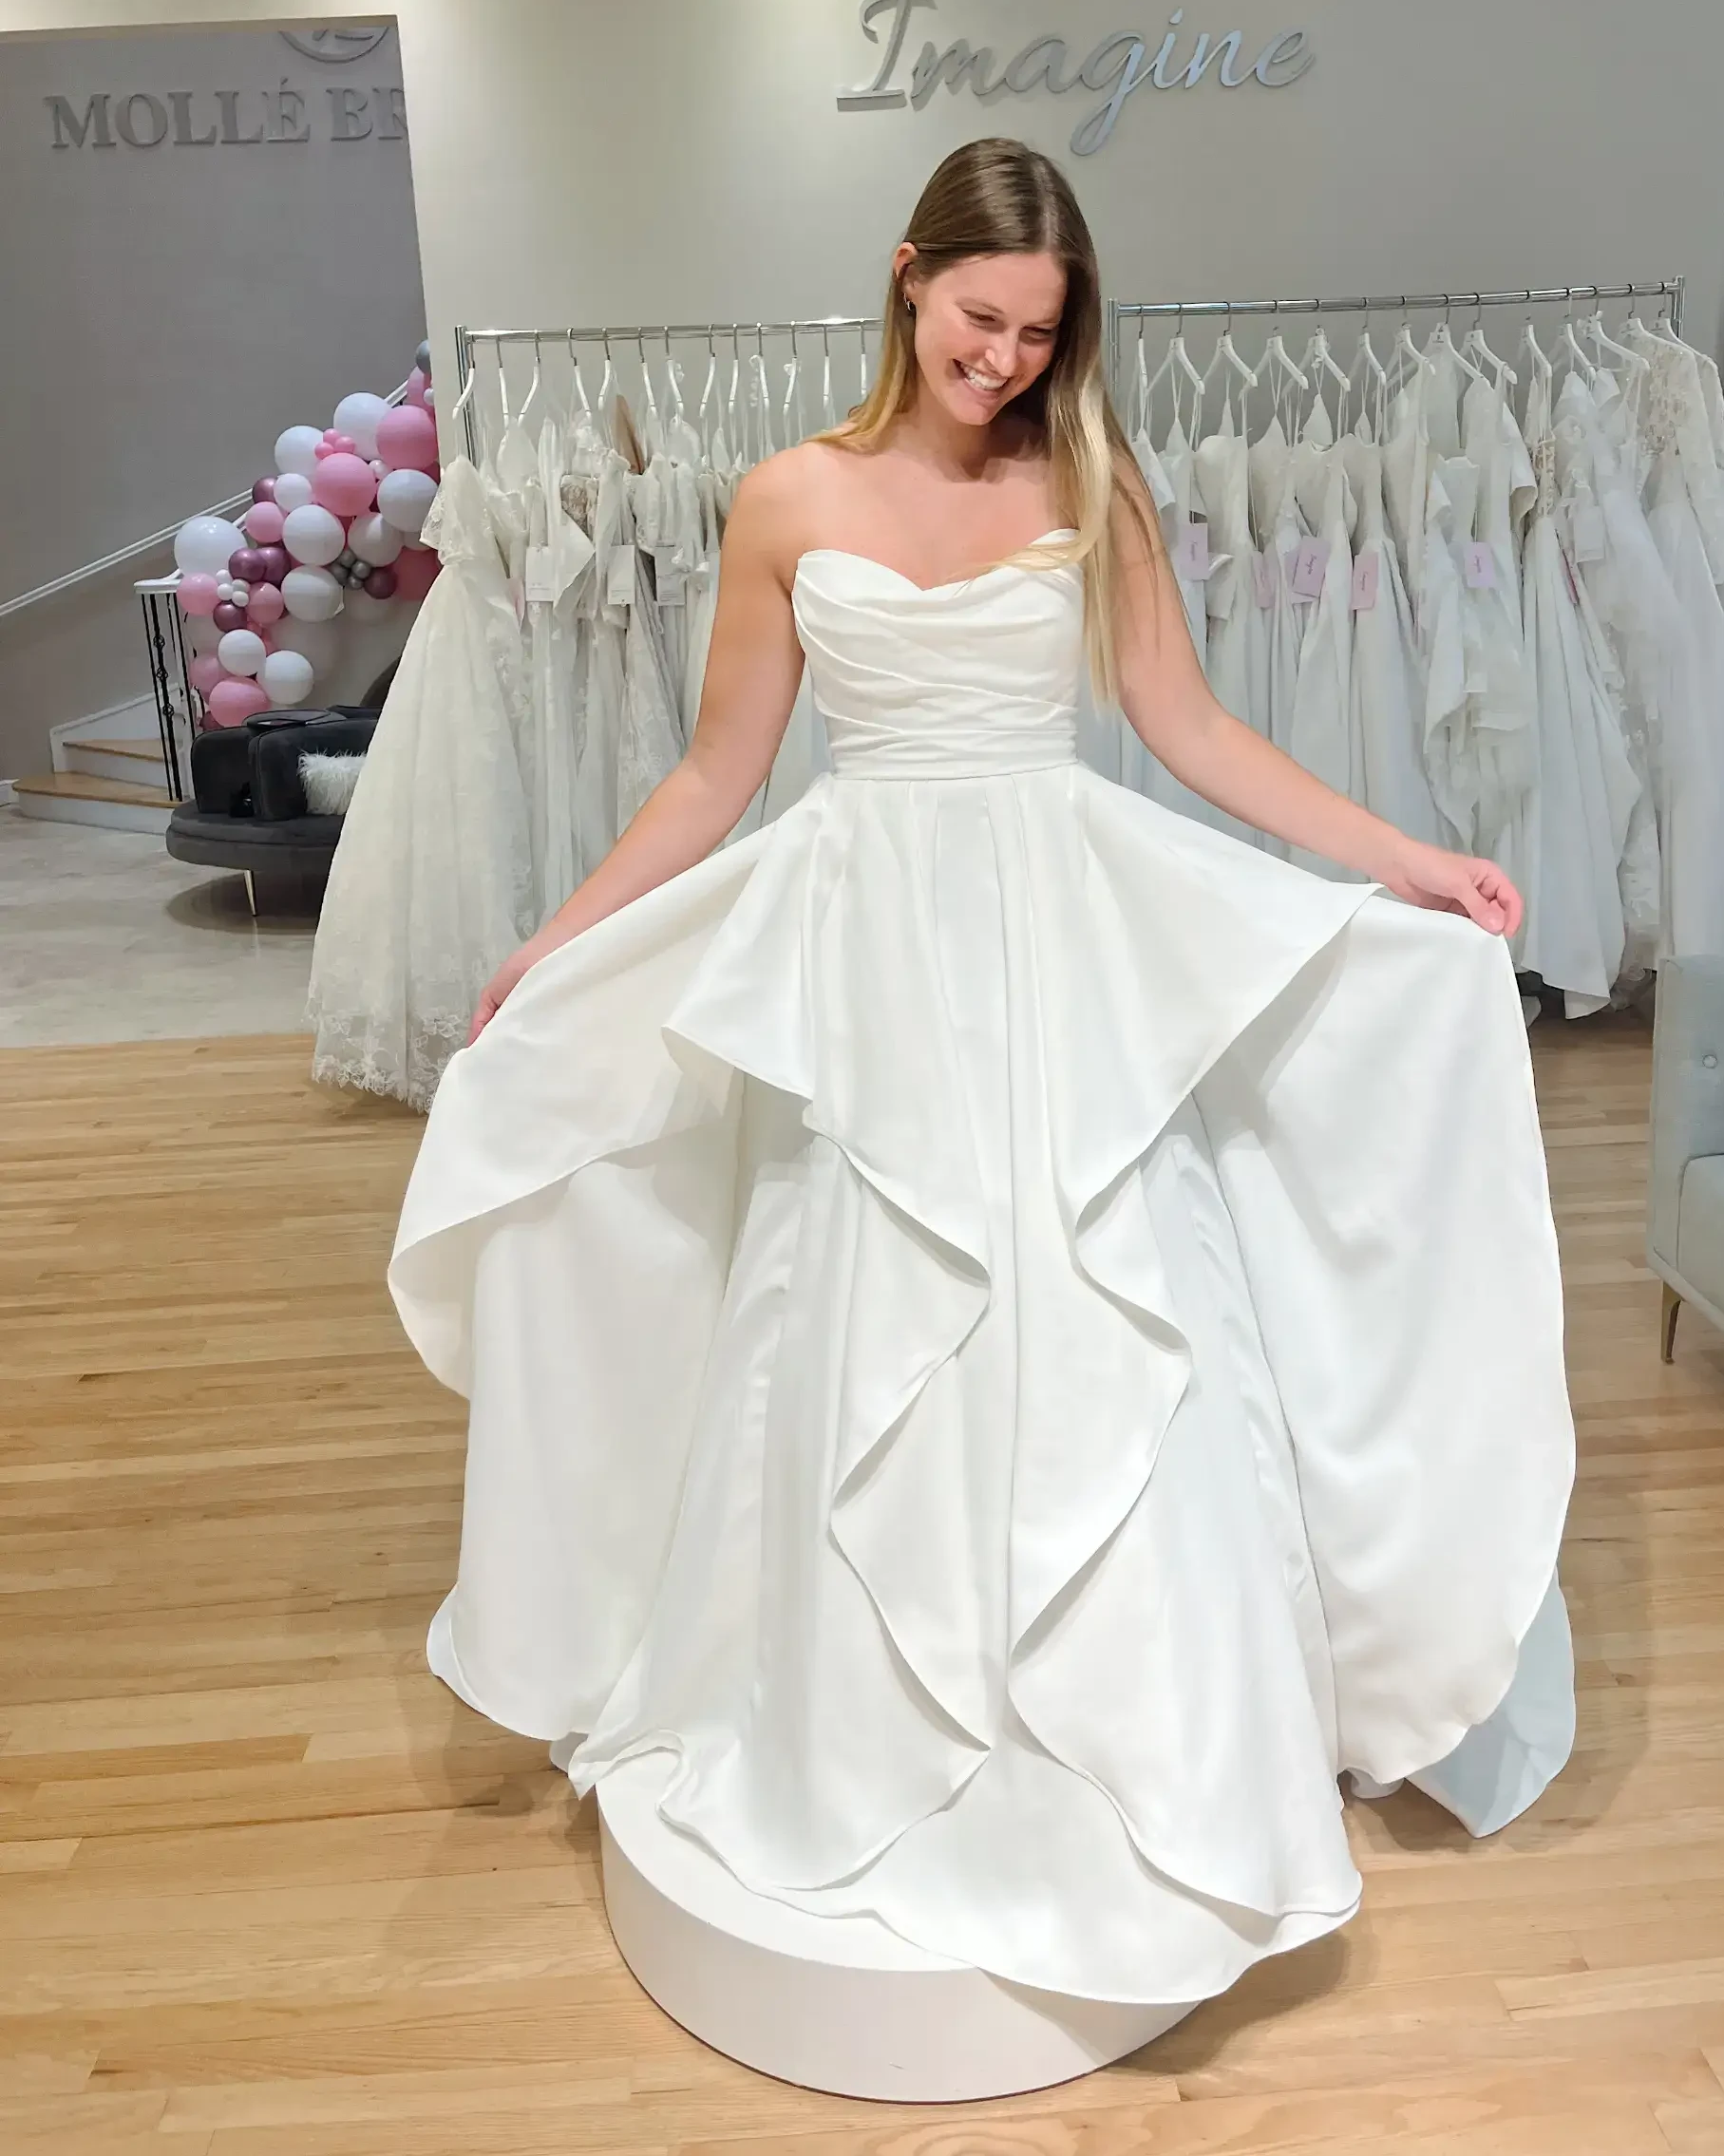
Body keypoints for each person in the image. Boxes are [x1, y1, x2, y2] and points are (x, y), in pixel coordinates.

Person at [391, 139, 1574, 2011]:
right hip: (872, 949)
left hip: (1060, 938)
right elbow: (715, 777)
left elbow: (1190, 729)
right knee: (856, 1313)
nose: (1008, 360)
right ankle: (852, 1735)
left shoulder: (1096, 481)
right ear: (908, 281)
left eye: (1040, 331)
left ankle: (1143, 1745)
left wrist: (1403, 862)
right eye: (981, 319)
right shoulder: (788, 498)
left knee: (1116, 1301)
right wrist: (557, 940)